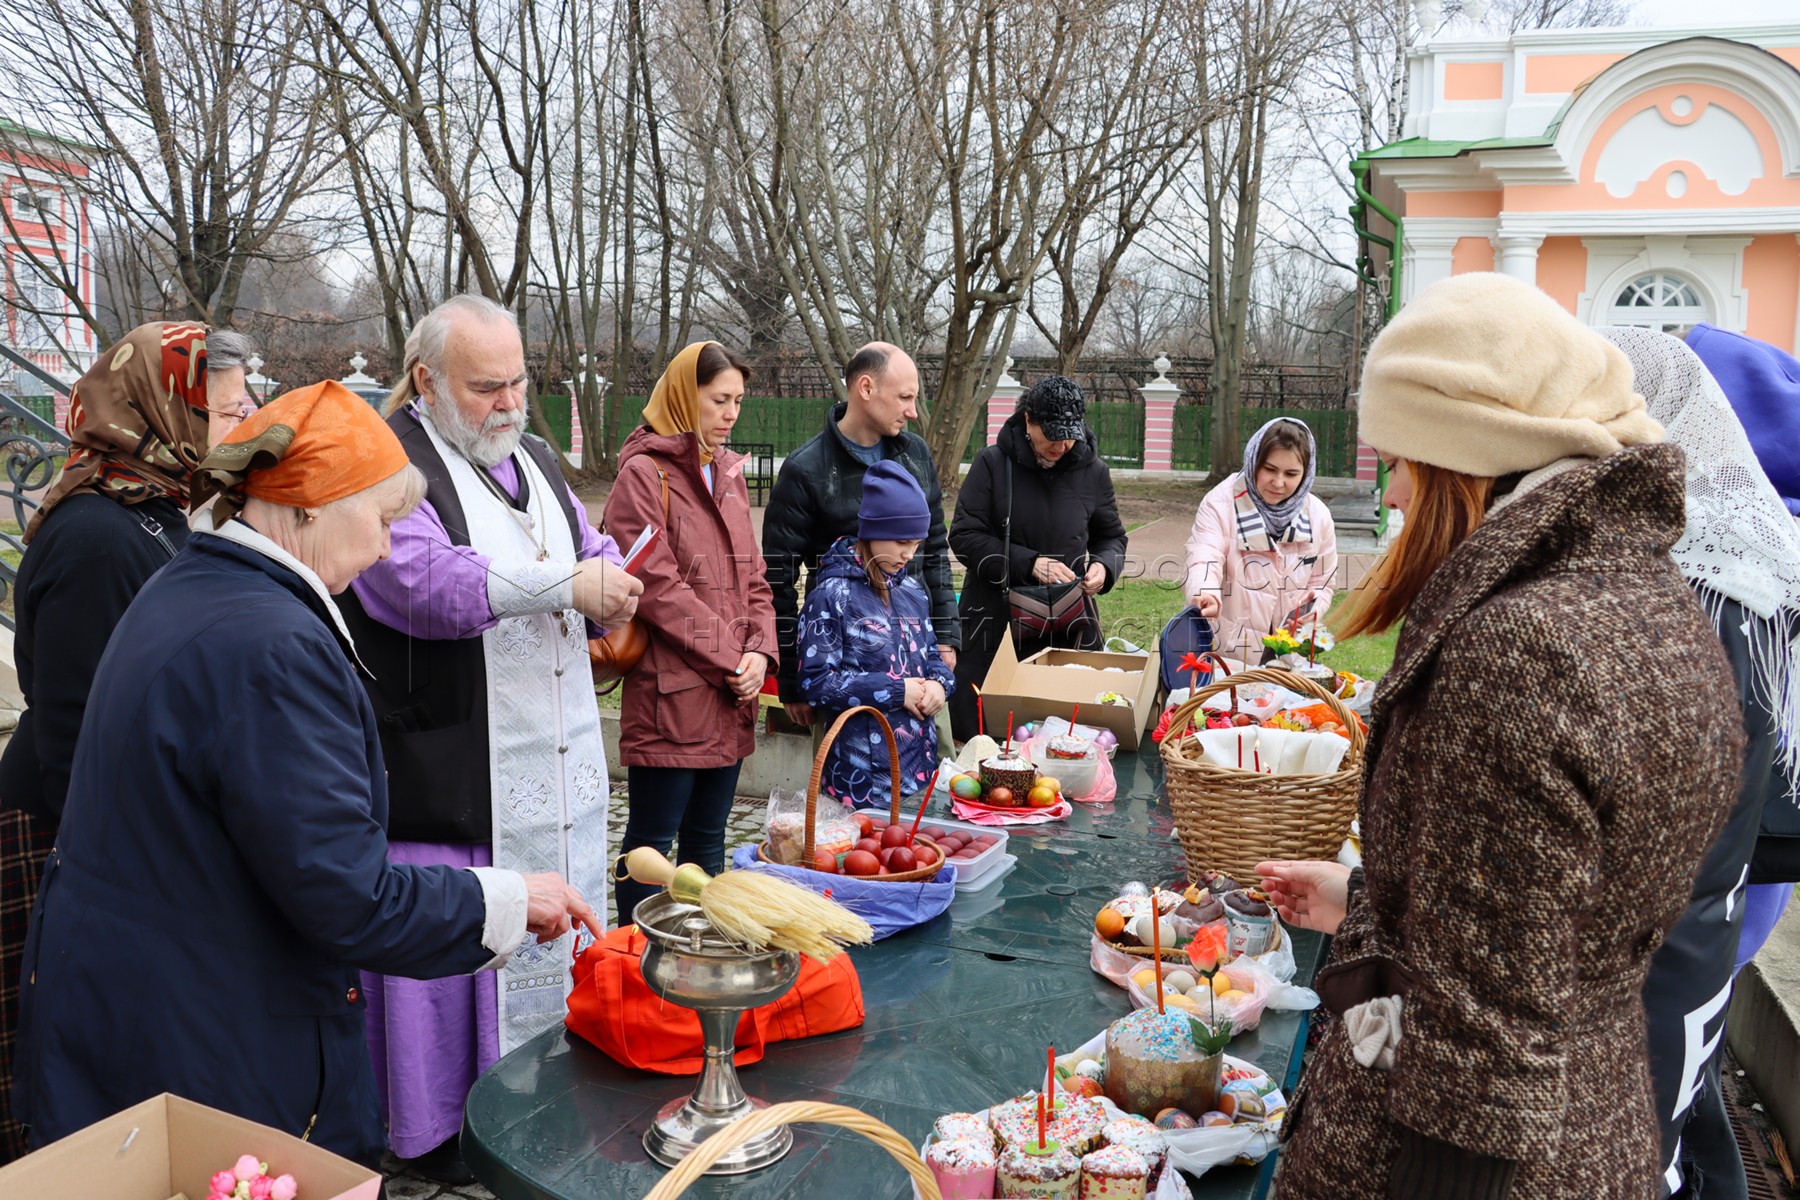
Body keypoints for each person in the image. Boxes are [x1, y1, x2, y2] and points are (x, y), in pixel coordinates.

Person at [10, 381, 602, 1165]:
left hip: (136, 1009)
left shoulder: (193, 585)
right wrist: (508, 898)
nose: (389, 549)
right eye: (384, 521)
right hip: (206, 1034)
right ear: (312, 504)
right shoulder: (274, 648)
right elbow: (347, 896)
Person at [1256, 274, 1742, 1200]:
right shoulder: (1646, 601)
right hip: (1592, 1112)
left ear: (1466, 454)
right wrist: (1371, 899)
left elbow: (1481, 1045)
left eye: (1398, 459)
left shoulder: (1518, 648)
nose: (1391, 488)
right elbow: (1540, 914)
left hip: (1473, 1164)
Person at [334, 295, 638, 1182]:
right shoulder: (391, 457)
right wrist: (568, 586)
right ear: (425, 381)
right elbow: (417, 580)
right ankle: (437, 1142)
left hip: (554, 764)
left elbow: (588, 543)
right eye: (485, 387)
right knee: (454, 964)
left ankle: (542, 1108)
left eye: (518, 382)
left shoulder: (536, 456)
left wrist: (613, 576)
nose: (509, 403)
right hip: (449, 763)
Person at [0, 322, 253, 1164]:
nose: (242, 423)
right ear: (162, 410)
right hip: (60, 841)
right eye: (223, 411)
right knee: (64, 1072)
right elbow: (80, 740)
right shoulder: (97, 535)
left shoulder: (156, 508)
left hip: (112, 840)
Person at [1608, 326, 1800, 1200]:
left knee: (1687, 1031)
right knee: (1699, 1031)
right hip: (1752, 849)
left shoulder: (1715, 567)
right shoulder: (1759, 532)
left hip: (1724, 856)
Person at [604, 342, 776, 923]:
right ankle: (631, 960)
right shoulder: (642, 474)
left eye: (738, 402)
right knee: (651, 844)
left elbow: (754, 575)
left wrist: (759, 653)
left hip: (730, 696)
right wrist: (733, 657)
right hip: (671, 699)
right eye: (719, 400)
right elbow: (655, 587)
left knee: (708, 843)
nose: (731, 414)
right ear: (684, 396)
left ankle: (699, 959)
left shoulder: (726, 472)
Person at [763, 344, 960, 733]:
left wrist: (947, 639)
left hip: (920, 670)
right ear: (866, 388)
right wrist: (791, 681)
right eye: (905, 397)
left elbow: (935, 550)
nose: (912, 411)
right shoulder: (805, 470)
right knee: (847, 789)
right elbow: (776, 581)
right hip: (845, 681)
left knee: (929, 787)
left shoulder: (916, 454)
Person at [947, 375, 1127, 742]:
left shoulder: (1094, 472)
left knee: (1061, 732)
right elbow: (963, 537)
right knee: (982, 731)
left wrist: (1104, 567)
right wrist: (1027, 563)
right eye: (1052, 434)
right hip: (992, 621)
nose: (1061, 445)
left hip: (1065, 623)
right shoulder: (993, 464)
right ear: (1028, 421)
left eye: (1069, 434)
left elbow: (1112, 537)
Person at [797, 461, 955, 809]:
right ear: (871, 530)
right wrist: (897, 691)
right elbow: (816, 683)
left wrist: (941, 686)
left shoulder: (913, 591)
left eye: (916, 543)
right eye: (901, 541)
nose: (909, 554)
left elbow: (931, 656)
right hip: (858, 784)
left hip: (919, 772)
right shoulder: (831, 596)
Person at [1181, 417, 1338, 664]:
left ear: (1306, 474)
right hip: (1232, 652)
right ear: (1254, 461)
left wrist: (1314, 607)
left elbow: (1322, 581)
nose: (1278, 483)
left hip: (1290, 653)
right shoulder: (1220, 503)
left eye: (1291, 474)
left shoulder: (1319, 516)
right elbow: (1204, 555)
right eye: (1270, 469)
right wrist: (1205, 592)